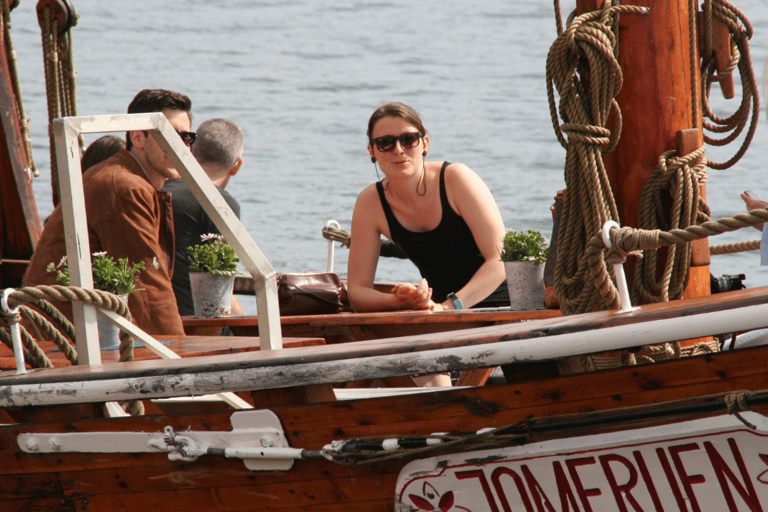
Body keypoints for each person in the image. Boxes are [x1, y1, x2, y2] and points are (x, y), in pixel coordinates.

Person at [23, 89, 195, 336]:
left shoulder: (121, 177)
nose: (181, 146)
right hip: (59, 344)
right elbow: (145, 286)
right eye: (170, 135)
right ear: (138, 137)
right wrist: (179, 352)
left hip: (60, 334)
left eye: (187, 137)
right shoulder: (125, 186)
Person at [347, 101, 509, 315]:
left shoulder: (456, 179)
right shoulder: (370, 203)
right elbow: (357, 292)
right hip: (439, 315)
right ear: (372, 151)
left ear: (424, 144)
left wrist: (449, 307)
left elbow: (501, 259)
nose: (398, 150)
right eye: (385, 143)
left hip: (506, 307)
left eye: (408, 140)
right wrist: (402, 301)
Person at [161, 118, 246, 318]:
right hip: (197, 322)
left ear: (190, 152)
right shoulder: (220, 203)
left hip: (158, 315)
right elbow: (218, 286)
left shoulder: (160, 190)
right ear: (236, 166)